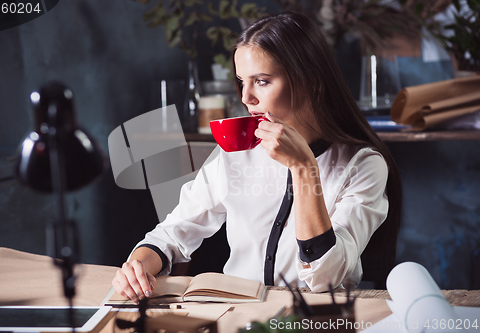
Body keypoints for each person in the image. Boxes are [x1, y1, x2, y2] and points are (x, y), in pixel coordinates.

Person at [112, 11, 402, 304]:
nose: (246, 97)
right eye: (242, 81)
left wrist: (303, 168)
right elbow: (174, 233)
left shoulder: (364, 165)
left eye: (262, 81)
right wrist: (137, 265)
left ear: (310, 81)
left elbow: (325, 277)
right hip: (238, 311)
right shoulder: (235, 154)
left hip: (315, 316)